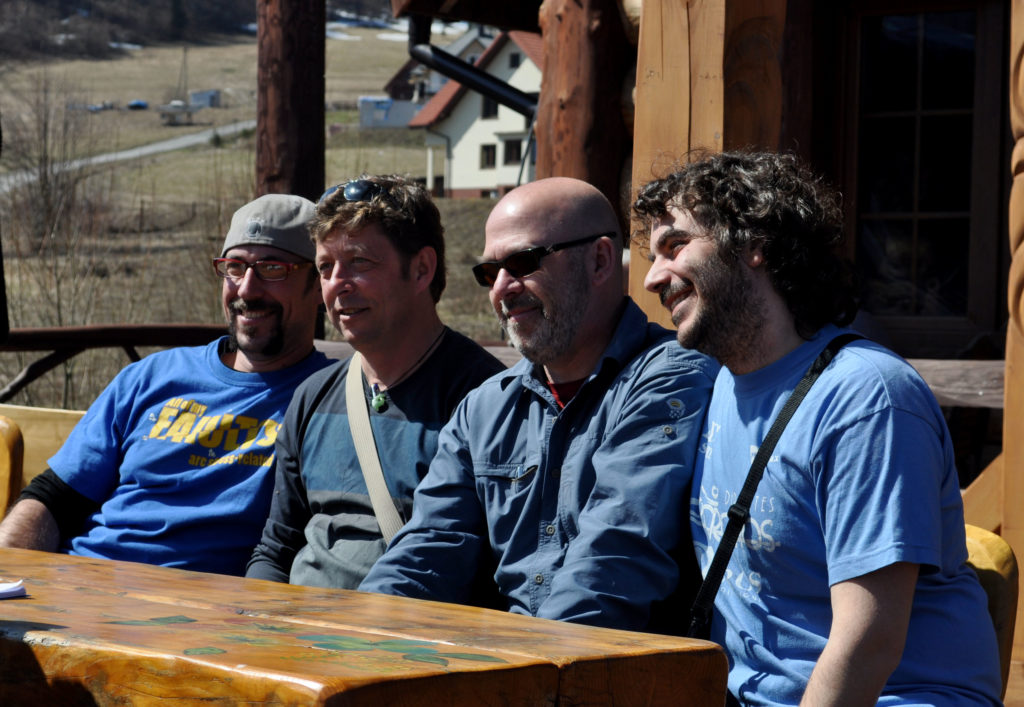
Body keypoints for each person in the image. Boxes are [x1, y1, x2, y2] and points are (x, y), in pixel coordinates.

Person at [635, 150, 1002, 706]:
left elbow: (869, 642)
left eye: (675, 246)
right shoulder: (716, 385)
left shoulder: (865, 398)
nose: (650, 278)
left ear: (753, 244)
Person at [359, 177, 718, 633]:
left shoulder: (670, 378)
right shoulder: (484, 409)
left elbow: (614, 563)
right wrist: (353, 642)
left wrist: (528, 671)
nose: (502, 288)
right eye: (490, 273)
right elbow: (427, 552)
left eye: (523, 262)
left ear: (601, 259)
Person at [0, 194, 331, 576]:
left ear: (319, 285)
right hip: (79, 589)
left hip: (196, 617)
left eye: (273, 268)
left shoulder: (328, 399)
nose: (246, 289)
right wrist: (9, 571)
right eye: (234, 267)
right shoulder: (150, 376)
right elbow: (54, 498)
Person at [245, 175, 505, 589]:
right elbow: (277, 548)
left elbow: (465, 563)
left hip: (404, 639)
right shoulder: (313, 397)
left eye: (360, 262)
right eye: (325, 267)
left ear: (422, 270)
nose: (336, 285)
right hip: (293, 638)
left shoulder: (484, 399)